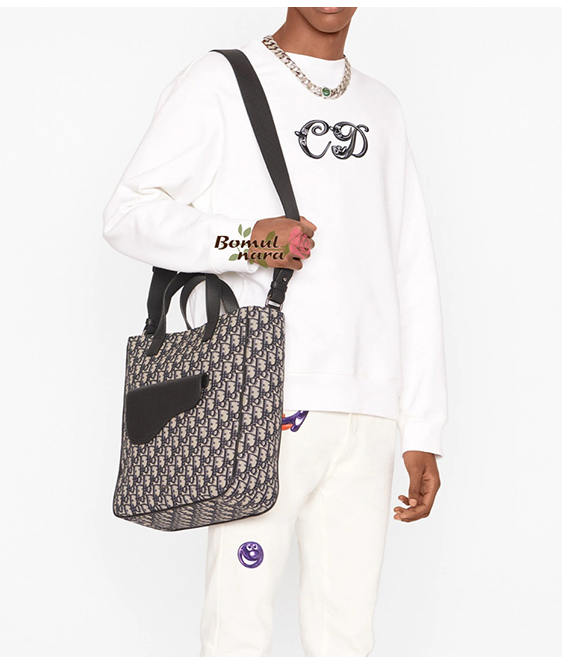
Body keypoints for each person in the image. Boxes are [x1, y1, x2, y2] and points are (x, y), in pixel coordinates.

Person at [102, 6, 448, 657]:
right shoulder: (221, 80)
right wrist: (244, 241)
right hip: (261, 399)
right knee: (239, 628)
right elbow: (127, 214)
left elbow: (411, 265)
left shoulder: (383, 107)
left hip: (369, 411)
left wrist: (422, 425)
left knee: (347, 638)